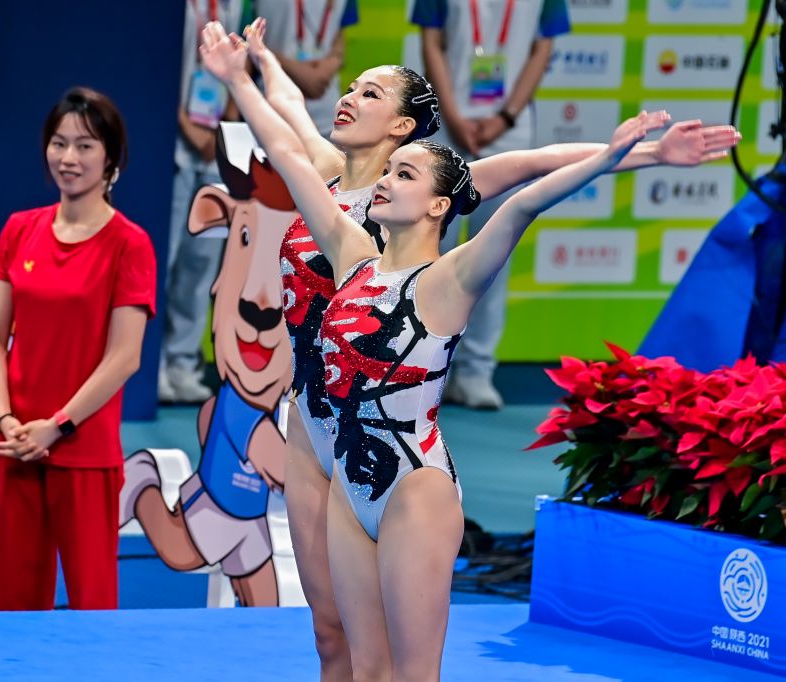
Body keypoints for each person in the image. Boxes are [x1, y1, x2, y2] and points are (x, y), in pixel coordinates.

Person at [200, 20, 736, 679]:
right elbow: (284, 132)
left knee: (399, 660)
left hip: (398, 457)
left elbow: (532, 178)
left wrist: (643, 154)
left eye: (371, 94)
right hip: (312, 423)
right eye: (353, 89)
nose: (349, 99)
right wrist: (254, 66)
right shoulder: (338, 212)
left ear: (406, 131)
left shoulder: (435, 220)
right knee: (333, 636)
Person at [0, 87, 157, 611]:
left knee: (92, 604)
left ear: (111, 157)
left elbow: (125, 357)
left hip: (82, 449)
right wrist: (7, 419)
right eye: (59, 143)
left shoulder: (130, 243)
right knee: (12, 604)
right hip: (16, 444)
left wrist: (57, 426)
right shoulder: (20, 229)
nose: (68, 158)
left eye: (85, 145)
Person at [414, 0, 571, 408]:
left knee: (494, 254)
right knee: (428, 254)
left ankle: (476, 371)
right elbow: (431, 40)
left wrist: (505, 117)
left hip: (508, 131)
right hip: (444, 128)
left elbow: (542, 48)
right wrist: (450, 114)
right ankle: (422, 369)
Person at [159, 0, 246, 404]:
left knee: (201, 263)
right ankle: (154, 364)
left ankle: (182, 362)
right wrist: (184, 123)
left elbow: (240, 68)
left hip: (216, 150)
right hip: (175, 145)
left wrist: (224, 127)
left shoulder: (235, 5)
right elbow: (156, 67)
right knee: (166, 258)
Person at [253, 0, 358, 138]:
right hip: (272, 111)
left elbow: (339, 30)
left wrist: (331, 64)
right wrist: (295, 70)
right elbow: (245, 35)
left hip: (327, 111)